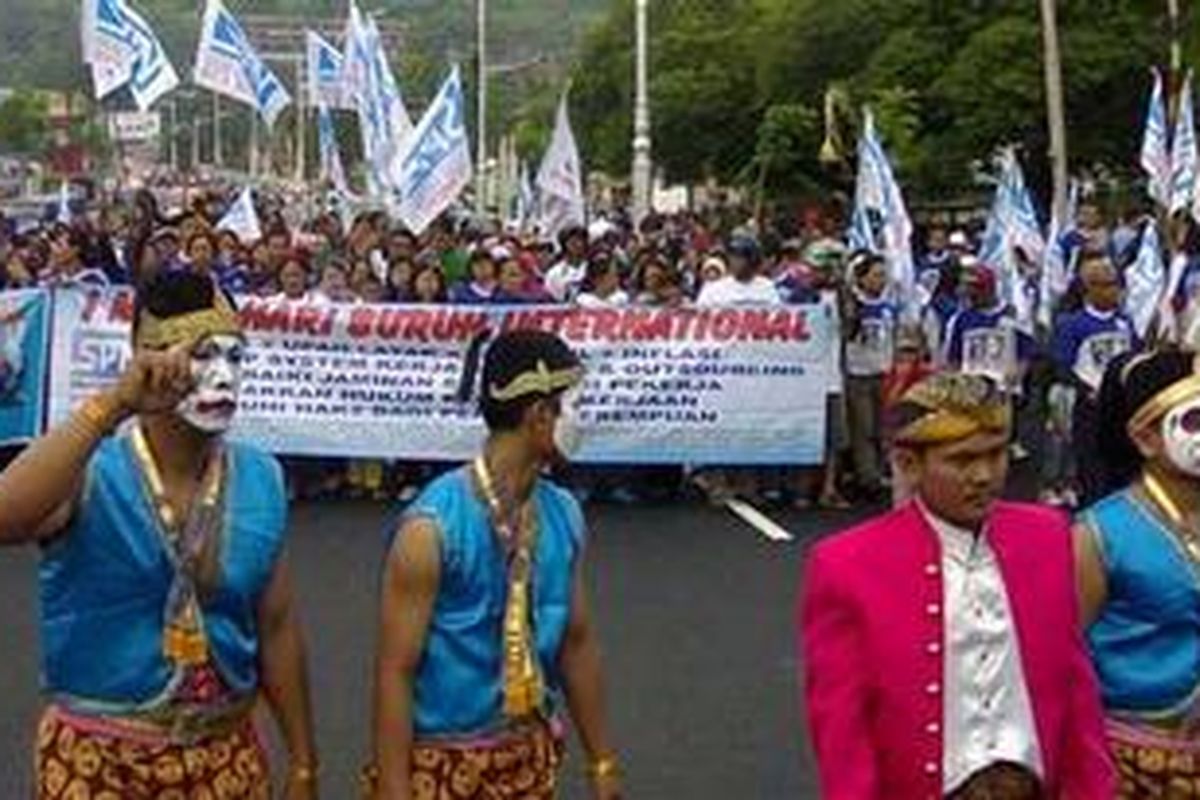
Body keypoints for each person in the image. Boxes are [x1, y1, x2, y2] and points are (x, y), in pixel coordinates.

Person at [0, 271, 318, 798]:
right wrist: (113, 405)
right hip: (100, 763)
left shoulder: (261, 477)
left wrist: (304, 762)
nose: (223, 378)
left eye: (234, 357)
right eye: (200, 355)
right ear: (147, 357)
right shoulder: (91, 469)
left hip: (226, 760)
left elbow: (277, 625)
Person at [800, 371, 1115, 800]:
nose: (984, 475)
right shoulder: (847, 563)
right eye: (962, 460)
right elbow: (842, 725)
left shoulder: (1048, 536)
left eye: (996, 455)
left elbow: (1075, 686)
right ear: (909, 465)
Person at [369, 330, 622, 800]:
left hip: (529, 757)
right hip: (439, 766)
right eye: (575, 403)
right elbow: (395, 670)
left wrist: (602, 761)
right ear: (539, 415)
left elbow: (577, 642)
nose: (585, 419)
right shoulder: (431, 529)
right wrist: (394, 789)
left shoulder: (564, 512)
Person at [1074, 349, 1200, 797]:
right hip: (1134, 760)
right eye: (1194, 421)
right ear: (1145, 438)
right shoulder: (1099, 533)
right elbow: (1064, 658)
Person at [1050, 253, 1136, 506]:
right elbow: (1062, 366)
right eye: (1108, 285)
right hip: (1089, 408)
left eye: (1116, 284)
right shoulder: (1072, 324)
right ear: (1090, 289)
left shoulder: (1124, 322)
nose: (1115, 291)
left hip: (1121, 408)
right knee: (1092, 468)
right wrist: (1088, 389)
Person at [695, 236, 781, 307]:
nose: (733, 261)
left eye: (739, 257)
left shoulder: (767, 287)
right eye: (731, 256)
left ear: (752, 260)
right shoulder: (713, 289)